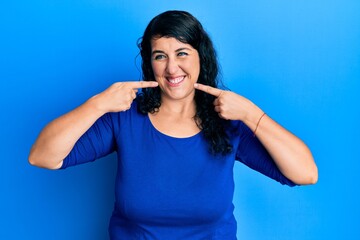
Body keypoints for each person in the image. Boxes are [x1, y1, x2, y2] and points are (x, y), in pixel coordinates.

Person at [29, 10, 318, 240]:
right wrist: (97, 104)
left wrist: (253, 115)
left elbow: (306, 174)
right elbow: (43, 156)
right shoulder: (124, 117)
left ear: (200, 58)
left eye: (182, 53)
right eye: (160, 56)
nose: (171, 68)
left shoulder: (229, 122)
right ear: (150, 64)